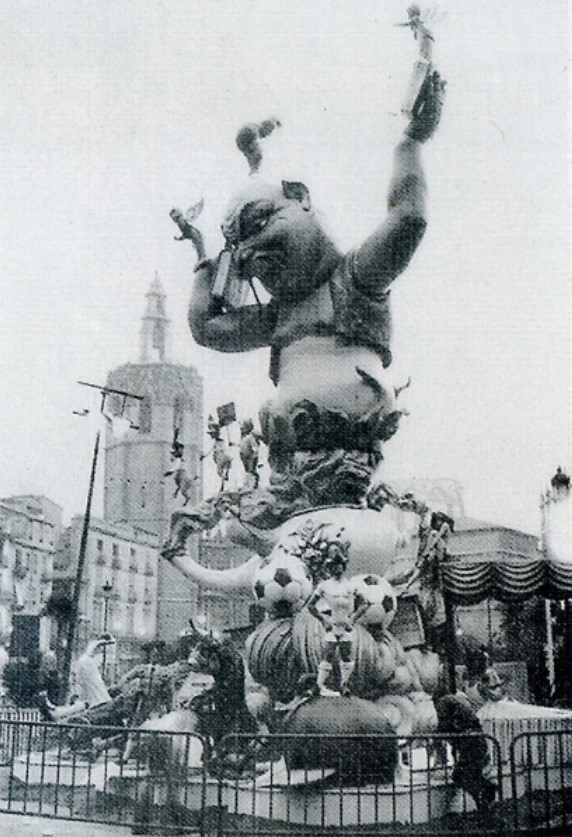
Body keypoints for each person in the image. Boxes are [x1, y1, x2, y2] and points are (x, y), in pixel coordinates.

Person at [306, 545, 370, 696]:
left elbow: (364, 604)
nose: (338, 568)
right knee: (328, 654)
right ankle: (319, 685)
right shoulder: (324, 586)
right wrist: (323, 620)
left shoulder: (351, 585)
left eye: (340, 565)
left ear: (344, 567)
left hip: (346, 625)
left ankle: (344, 685)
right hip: (332, 624)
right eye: (334, 566)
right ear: (330, 568)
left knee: (346, 654)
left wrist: (353, 619)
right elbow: (310, 605)